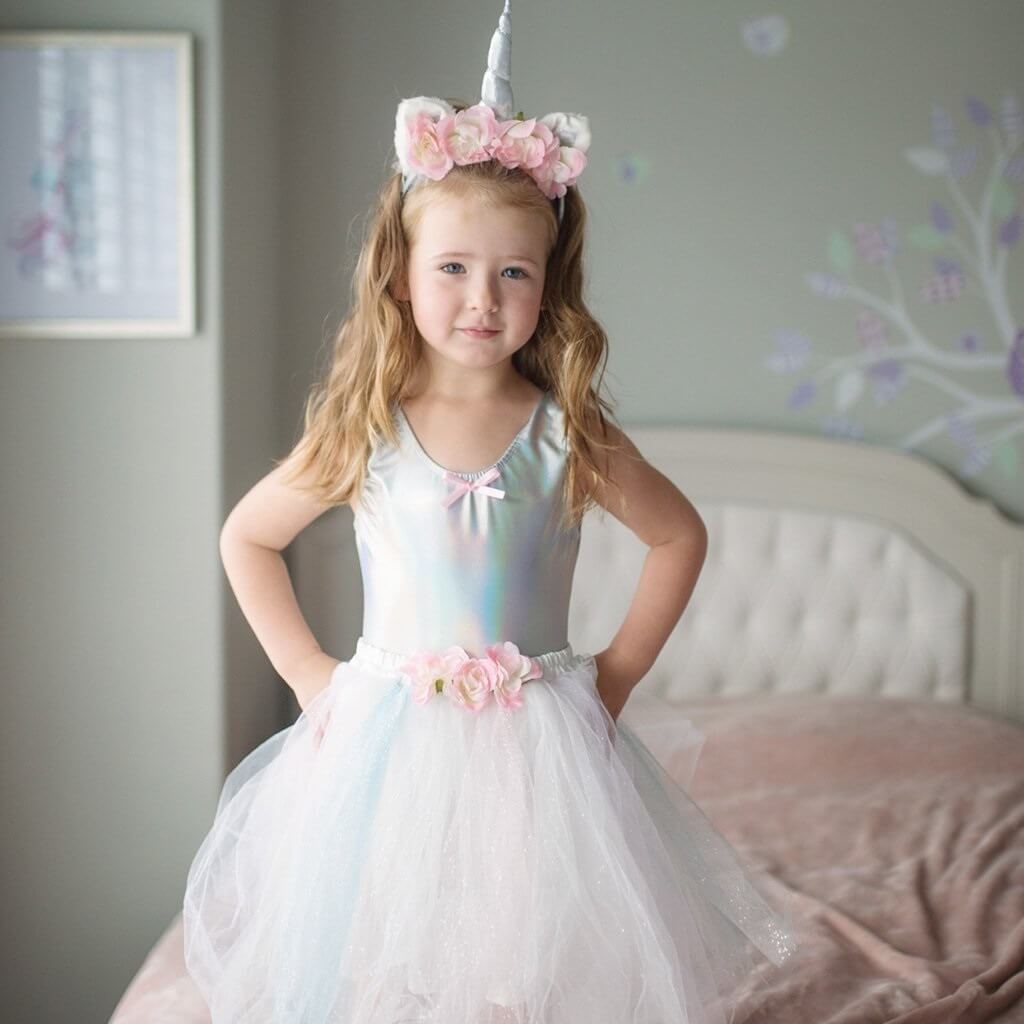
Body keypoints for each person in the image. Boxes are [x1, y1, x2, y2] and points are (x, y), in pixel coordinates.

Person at [182, 3, 799, 1021]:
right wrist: (309, 677)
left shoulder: (567, 435)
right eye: (454, 269)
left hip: (541, 738)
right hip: (387, 735)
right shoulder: (368, 426)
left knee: (530, 948)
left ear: (549, 286)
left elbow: (677, 534)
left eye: (514, 272)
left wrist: (616, 674)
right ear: (401, 273)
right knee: (392, 943)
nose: (483, 298)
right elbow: (248, 536)